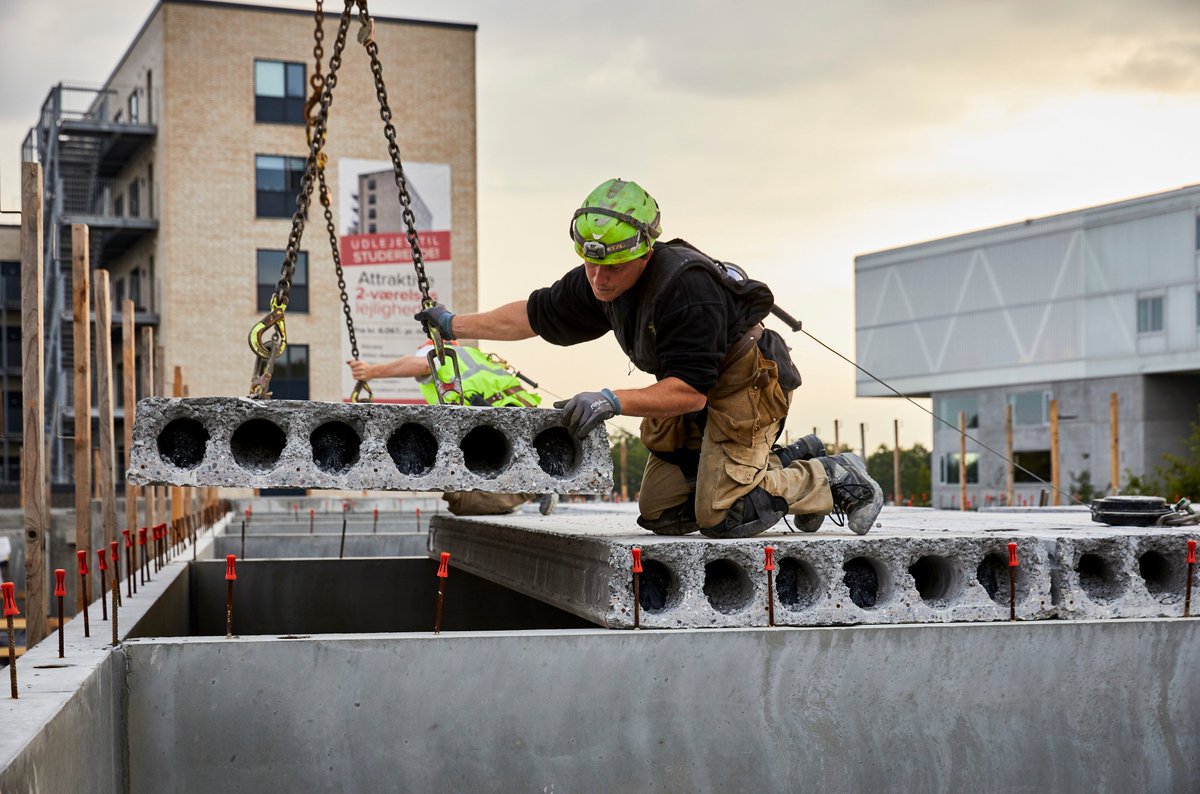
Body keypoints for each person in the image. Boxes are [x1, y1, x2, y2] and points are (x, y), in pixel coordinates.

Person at [416, 178, 883, 538]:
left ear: (643, 254)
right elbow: (532, 317)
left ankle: (832, 477)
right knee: (663, 513)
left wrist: (611, 399)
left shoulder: (686, 288)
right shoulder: (599, 279)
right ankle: (786, 461)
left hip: (742, 384)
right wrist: (454, 325)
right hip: (687, 385)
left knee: (723, 514)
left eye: (612, 268)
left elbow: (692, 393)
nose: (599, 278)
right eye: (590, 264)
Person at [348, 340, 558, 516]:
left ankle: (531, 488)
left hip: (494, 419)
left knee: (460, 500)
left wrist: (371, 371)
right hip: (520, 413)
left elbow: (421, 364)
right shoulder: (474, 356)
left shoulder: (440, 354)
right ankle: (532, 485)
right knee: (479, 481)